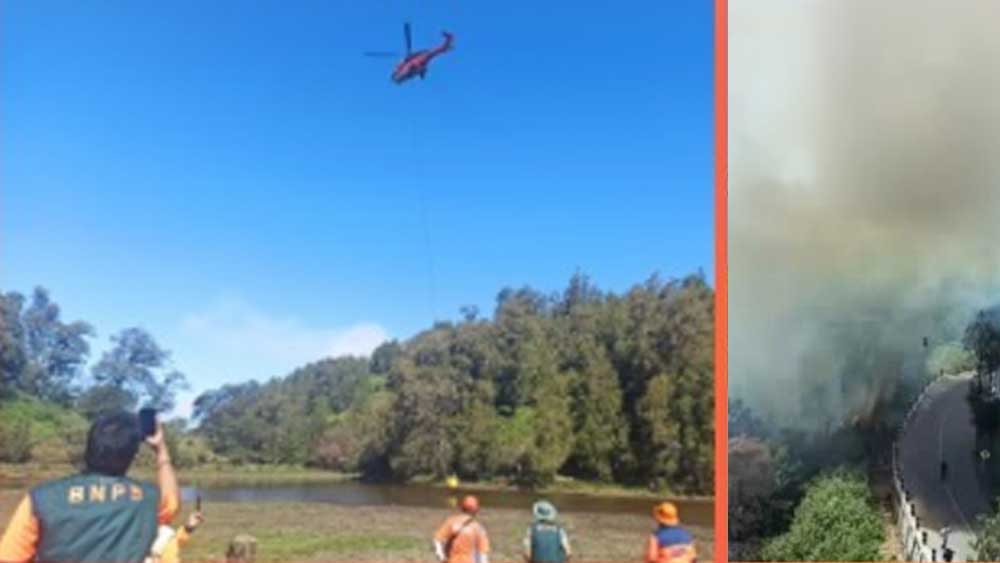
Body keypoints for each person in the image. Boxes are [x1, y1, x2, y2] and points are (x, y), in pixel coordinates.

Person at [0, 411, 180, 563]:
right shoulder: (150, 499)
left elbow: (8, 557)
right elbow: (172, 502)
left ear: (89, 446)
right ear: (131, 455)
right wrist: (161, 450)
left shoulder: (41, 499)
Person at [433, 495, 490, 563]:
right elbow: (482, 554)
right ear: (476, 511)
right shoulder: (479, 529)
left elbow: (437, 540)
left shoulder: (451, 522)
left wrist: (441, 557)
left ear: (462, 507)